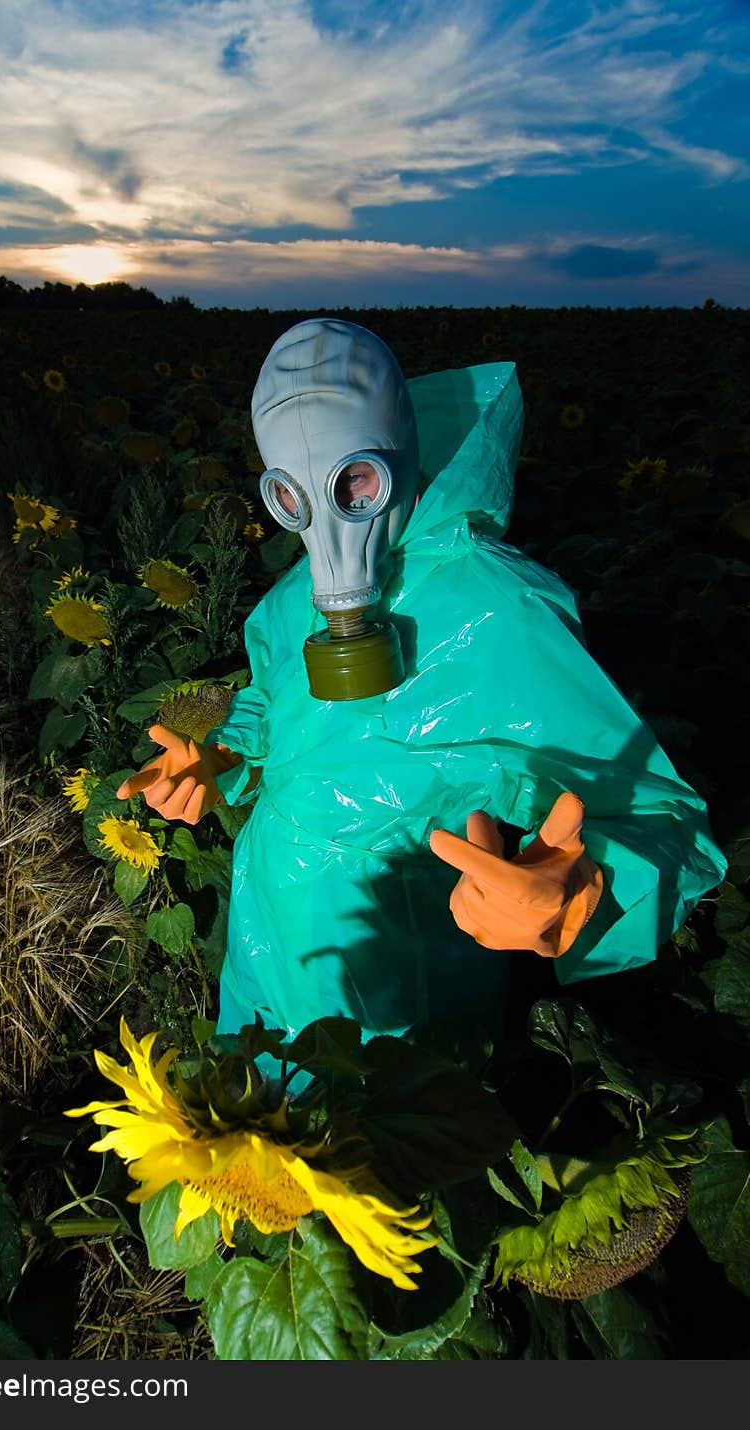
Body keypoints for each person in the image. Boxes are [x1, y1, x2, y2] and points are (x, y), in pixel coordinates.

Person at [117, 318, 726, 1050]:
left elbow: (657, 821)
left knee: (378, 1152)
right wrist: (219, 758)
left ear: (401, 450)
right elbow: (282, 719)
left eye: (355, 482)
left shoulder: (496, 610)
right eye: (295, 496)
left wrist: (578, 886)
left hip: (401, 984)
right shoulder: (289, 601)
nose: (332, 529)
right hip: (266, 941)